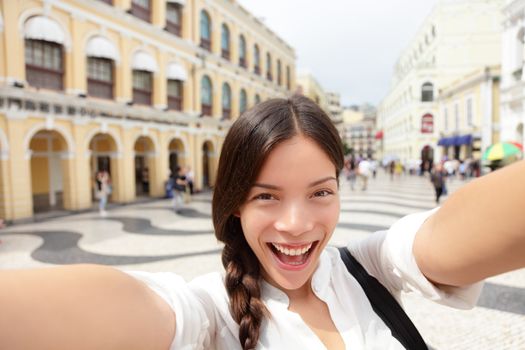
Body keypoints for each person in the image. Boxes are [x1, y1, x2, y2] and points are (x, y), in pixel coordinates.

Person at [1, 95, 525, 350]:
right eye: (266, 197)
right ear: (234, 203)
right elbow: (130, 307)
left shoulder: (368, 269)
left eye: (321, 192)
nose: (296, 224)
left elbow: (452, 235)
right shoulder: (212, 313)